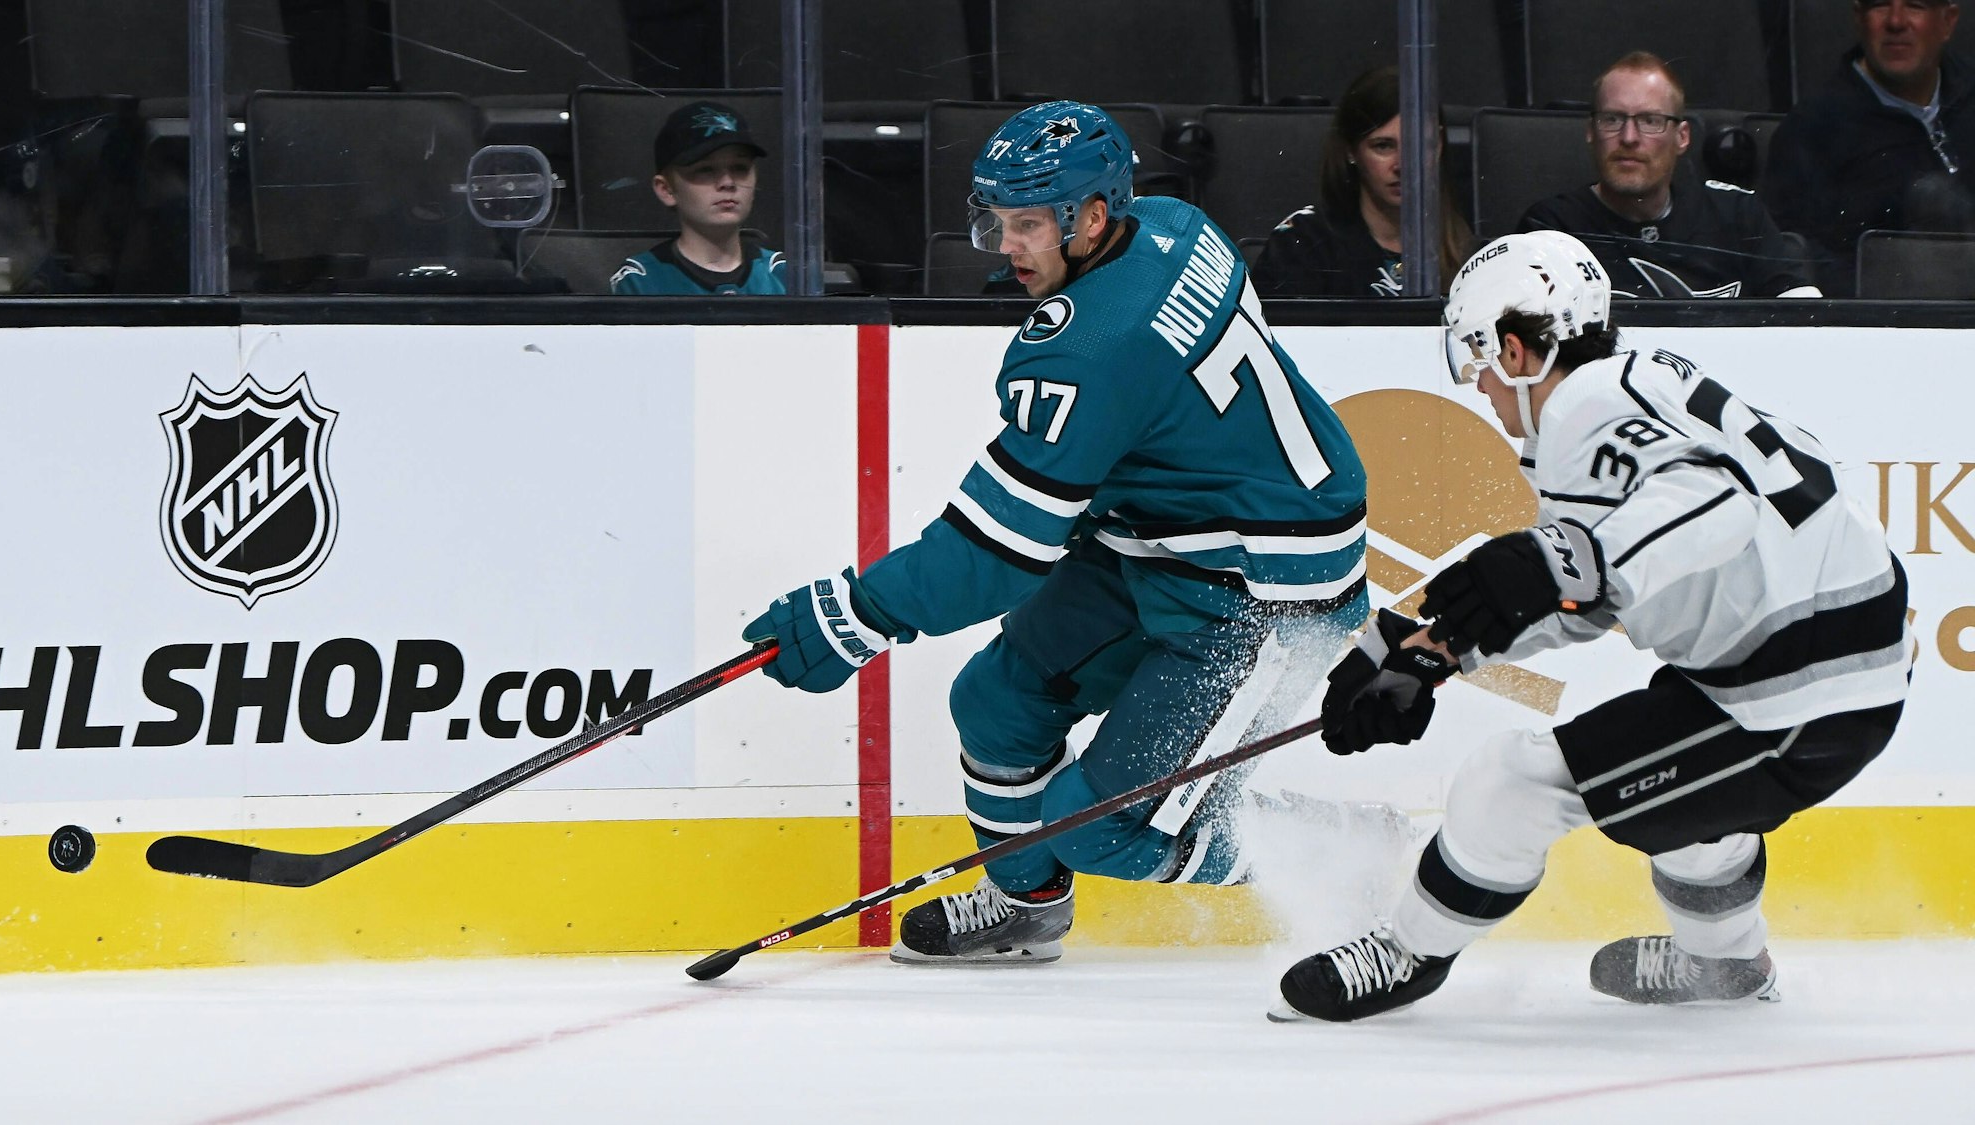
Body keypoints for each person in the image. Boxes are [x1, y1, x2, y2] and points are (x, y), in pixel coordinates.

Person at [741, 100, 1370, 965]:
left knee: (1103, 829)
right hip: (1161, 536)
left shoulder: (1087, 347)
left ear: (1094, 217)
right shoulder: (1179, 225)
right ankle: (1022, 903)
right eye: (995, 221)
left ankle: (1355, 857)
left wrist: (855, 613)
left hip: (1264, 592)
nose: (1007, 246)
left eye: (1029, 223)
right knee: (995, 704)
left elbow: (999, 553)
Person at [1271, 229, 1910, 1022]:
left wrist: (1571, 562)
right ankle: (1727, 967)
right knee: (1686, 804)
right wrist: (1428, 648)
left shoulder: (1585, 404)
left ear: (1515, 349)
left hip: (1794, 691)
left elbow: (1714, 505)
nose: (1478, 389)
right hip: (1825, 669)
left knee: (1510, 783)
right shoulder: (1632, 388)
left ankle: (1407, 952)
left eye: (1475, 364)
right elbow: (1587, 591)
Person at [1520, 53, 1820, 299]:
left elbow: (1804, 314)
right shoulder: (1550, 231)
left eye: (1651, 121)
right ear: (1590, 131)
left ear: (1682, 137)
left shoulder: (1738, 215)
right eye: (1612, 119)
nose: (1629, 137)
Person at [1765, 0, 1975, 296]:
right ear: (1858, 18)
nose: (1896, 21)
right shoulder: (1812, 129)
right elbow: (1795, 258)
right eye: (1880, 5)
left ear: (1948, 21)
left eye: (1915, 6)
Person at [1251, 66, 1473, 297]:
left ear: (1438, 147)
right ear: (1350, 151)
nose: (1402, 166)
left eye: (1418, 146)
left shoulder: (1469, 255)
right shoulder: (1302, 244)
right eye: (1383, 146)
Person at [610, 100, 787, 296]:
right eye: (705, 170)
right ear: (666, 190)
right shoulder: (641, 281)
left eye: (740, 168)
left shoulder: (783, 274)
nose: (727, 182)